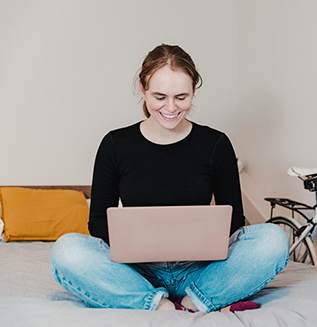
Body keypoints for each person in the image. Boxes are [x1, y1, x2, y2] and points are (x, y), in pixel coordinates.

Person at [50, 43, 290, 313]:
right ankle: (161, 304)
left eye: (181, 97)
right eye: (160, 96)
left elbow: (234, 219)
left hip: (202, 271)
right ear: (142, 90)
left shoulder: (216, 144)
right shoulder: (115, 144)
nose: (171, 107)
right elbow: (98, 223)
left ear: (193, 92)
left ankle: (195, 300)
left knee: (273, 239)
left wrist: (199, 243)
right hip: (135, 272)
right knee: (66, 250)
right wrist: (139, 245)